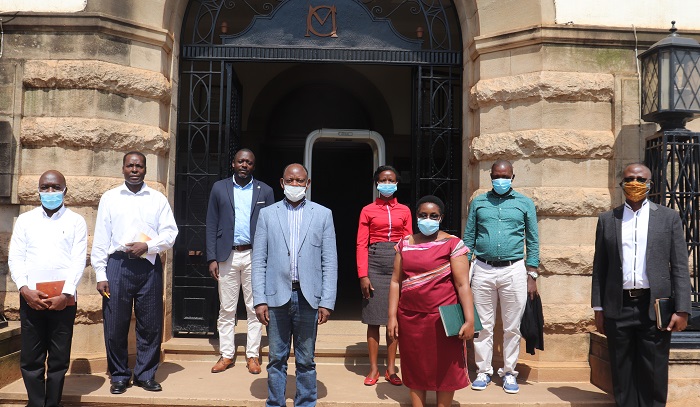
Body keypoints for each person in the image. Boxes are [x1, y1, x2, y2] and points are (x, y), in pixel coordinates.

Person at [592, 163, 691, 407]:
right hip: (618, 305)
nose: (634, 183)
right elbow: (599, 269)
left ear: (650, 184)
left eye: (640, 178)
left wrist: (682, 309)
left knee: (654, 370)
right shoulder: (607, 219)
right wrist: (598, 308)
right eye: (629, 178)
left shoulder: (668, 218)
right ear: (621, 183)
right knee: (622, 371)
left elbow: (679, 266)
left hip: (655, 306)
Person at [91, 152, 178, 394]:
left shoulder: (157, 199)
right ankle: (119, 375)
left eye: (139, 166)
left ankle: (145, 374)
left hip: (148, 266)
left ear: (145, 169)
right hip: (117, 265)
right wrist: (101, 273)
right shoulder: (110, 198)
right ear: (122, 169)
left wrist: (148, 246)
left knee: (150, 324)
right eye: (130, 165)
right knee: (115, 323)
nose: (134, 169)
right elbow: (101, 238)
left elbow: (170, 233)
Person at [252, 163, 338, 407]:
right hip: (276, 296)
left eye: (300, 181)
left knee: (306, 359)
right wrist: (260, 299)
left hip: (309, 297)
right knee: (276, 358)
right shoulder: (268, 214)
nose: (295, 185)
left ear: (308, 184)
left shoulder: (323, 214)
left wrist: (327, 301)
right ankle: (275, 403)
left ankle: (305, 402)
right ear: (282, 183)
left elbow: (329, 262)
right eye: (290, 180)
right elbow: (259, 260)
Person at [8, 170, 87, 407]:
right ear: (38, 191)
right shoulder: (25, 220)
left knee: (59, 358)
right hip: (31, 298)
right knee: (31, 357)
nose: (50, 192)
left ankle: (53, 403)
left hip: (63, 301)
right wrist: (24, 289)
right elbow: (16, 257)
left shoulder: (76, 221)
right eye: (45, 187)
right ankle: (36, 402)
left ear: (65, 191)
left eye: (55, 187)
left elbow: (78, 259)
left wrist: (66, 294)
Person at [387, 195, 474, 407]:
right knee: (415, 365)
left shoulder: (453, 244)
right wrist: (391, 317)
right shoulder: (404, 244)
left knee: (446, 367)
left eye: (433, 216)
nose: (428, 219)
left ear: (441, 217)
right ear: (416, 217)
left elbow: (463, 285)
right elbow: (395, 282)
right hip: (410, 317)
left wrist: (469, 320)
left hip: (444, 319)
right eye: (423, 215)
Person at [462, 159, 539, 394]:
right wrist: (464, 270)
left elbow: (533, 240)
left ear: (513, 178)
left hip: (513, 269)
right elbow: (469, 237)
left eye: (505, 176)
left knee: (512, 327)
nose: (501, 180)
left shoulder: (525, 203)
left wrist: (532, 273)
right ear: (491, 177)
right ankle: (483, 372)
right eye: (496, 176)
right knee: (483, 326)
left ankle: (509, 373)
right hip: (483, 268)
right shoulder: (479, 202)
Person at [206, 148, 274, 374]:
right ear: (233, 164)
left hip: (255, 255)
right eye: (241, 161)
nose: (245, 165)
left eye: (249, 162)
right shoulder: (219, 188)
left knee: (256, 308)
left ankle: (253, 355)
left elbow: (271, 227)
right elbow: (211, 224)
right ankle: (226, 354)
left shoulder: (265, 191)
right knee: (226, 308)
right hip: (227, 255)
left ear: (254, 166)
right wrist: (212, 257)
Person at [356, 165, 412, 386]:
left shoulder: (405, 211)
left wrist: (409, 271)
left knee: (394, 319)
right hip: (375, 260)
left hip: (397, 260)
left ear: (397, 183)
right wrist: (363, 275)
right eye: (383, 180)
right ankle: (373, 369)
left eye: (391, 180)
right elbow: (361, 243)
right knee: (373, 319)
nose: (387, 184)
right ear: (376, 183)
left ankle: (390, 369)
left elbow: (408, 242)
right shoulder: (367, 210)